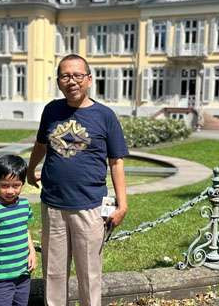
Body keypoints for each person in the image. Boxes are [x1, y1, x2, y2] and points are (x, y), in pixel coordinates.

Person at [27, 54, 129, 306]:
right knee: (54, 274)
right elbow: (41, 145)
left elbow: (116, 162)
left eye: (77, 75)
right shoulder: (51, 110)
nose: (71, 81)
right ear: (59, 81)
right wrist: (30, 170)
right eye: (65, 76)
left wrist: (122, 205)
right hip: (53, 205)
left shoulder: (105, 116)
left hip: (91, 208)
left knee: (89, 275)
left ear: (89, 79)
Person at [0, 155, 37, 306]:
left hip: (23, 274)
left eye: (16, 185)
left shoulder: (24, 205)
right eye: (4, 185)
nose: (10, 191)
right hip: (1, 277)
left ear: (23, 183)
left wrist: (32, 252)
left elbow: (25, 229)